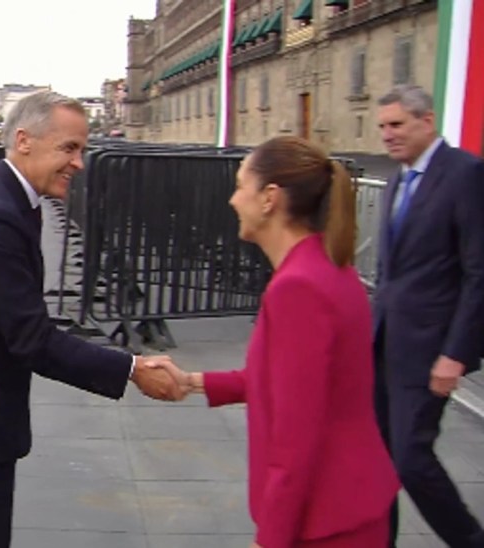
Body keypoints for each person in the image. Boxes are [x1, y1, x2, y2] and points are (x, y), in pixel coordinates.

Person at [0, 91, 184, 548]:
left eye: (82, 149)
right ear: (24, 140)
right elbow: (31, 338)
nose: (79, 163)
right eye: (69, 148)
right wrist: (132, 369)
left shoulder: (10, 199)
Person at [153, 136, 400, 547]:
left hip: (323, 518)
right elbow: (283, 382)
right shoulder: (329, 268)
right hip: (347, 503)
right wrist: (191, 381)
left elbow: (297, 434)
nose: (233, 200)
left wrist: (272, 539)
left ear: (269, 198)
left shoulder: (298, 288)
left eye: (239, 186)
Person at [372, 85, 484, 547]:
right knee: (378, 460)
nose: (387, 136)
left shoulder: (466, 174)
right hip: (386, 346)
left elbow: (479, 272)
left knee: (411, 459)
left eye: (396, 125)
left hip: (431, 350)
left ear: (427, 121)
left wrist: (455, 354)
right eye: (382, 127)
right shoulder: (400, 179)